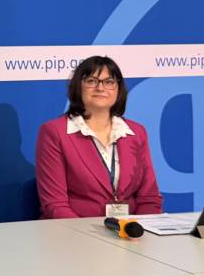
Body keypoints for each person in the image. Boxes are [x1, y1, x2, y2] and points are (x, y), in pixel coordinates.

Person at [35, 55, 162, 219]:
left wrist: (138, 229)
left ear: (118, 89)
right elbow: (55, 205)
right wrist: (86, 235)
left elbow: (149, 198)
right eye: (92, 81)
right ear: (78, 87)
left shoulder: (137, 132)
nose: (100, 88)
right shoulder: (54, 132)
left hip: (129, 231)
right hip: (73, 231)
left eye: (109, 82)